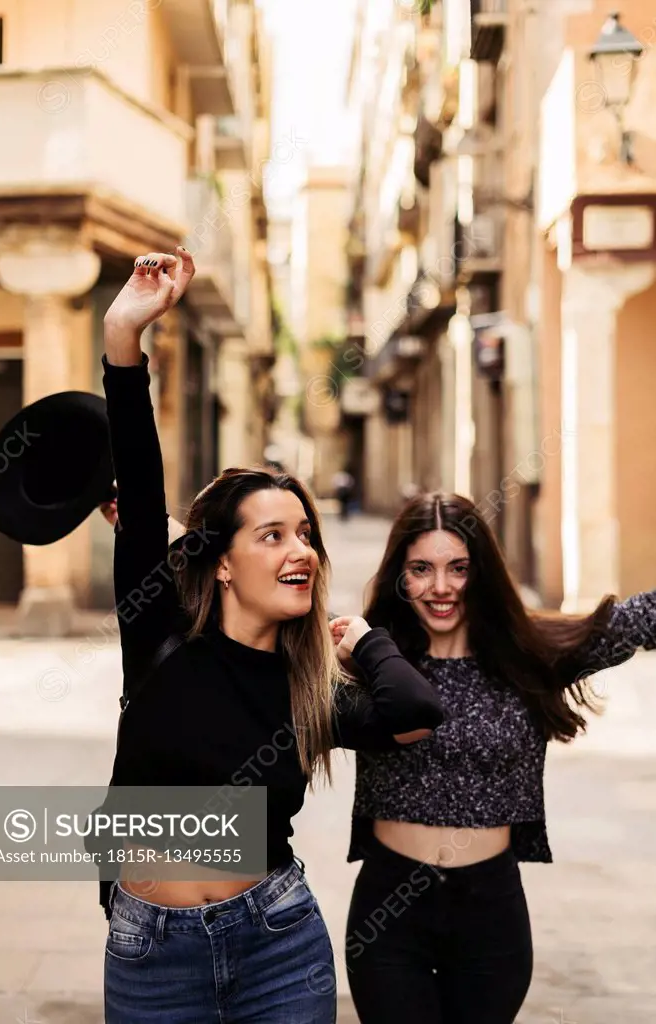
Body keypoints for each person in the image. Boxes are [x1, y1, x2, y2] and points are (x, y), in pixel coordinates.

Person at [100, 247, 445, 1024]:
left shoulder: (310, 687)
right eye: (273, 536)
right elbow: (141, 474)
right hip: (152, 950)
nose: (301, 552)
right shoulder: (157, 633)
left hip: (277, 938)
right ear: (220, 564)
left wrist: (363, 641)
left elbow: (417, 711)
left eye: (306, 535)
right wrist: (126, 335)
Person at [334, 491, 656, 1024]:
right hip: (390, 914)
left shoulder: (527, 656)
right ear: (400, 576)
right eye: (421, 569)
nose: (441, 588)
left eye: (458, 568)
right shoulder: (373, 661)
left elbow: (640, 620)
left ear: (482, 573)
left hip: (491, 914)